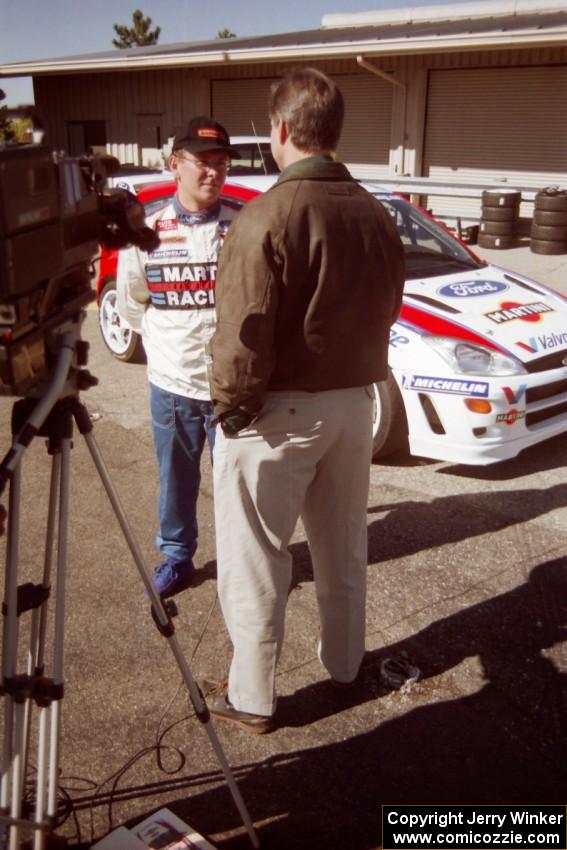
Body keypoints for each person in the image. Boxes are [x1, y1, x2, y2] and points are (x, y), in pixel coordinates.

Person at [205, 68, 405, 733]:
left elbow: (241, 331)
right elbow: (389, 306)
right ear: (334, 132)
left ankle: (251, 696)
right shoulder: (377, 213)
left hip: (279, 413)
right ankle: (344, 665)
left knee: (257, 556)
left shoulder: (265, 214)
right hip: (355, 404)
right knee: (342, 544)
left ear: (280, 130)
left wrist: (231, 408)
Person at [116, 116, 241, 598]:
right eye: (202, 161)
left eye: (221, 162)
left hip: (232, 387)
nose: (213, 171)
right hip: (173, 384)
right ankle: (176, 556)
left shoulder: (244, 224)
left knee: (239, 487)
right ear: (175, 165)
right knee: (175, 481)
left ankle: (239, 562)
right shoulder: (146, 231)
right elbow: (132, 303)